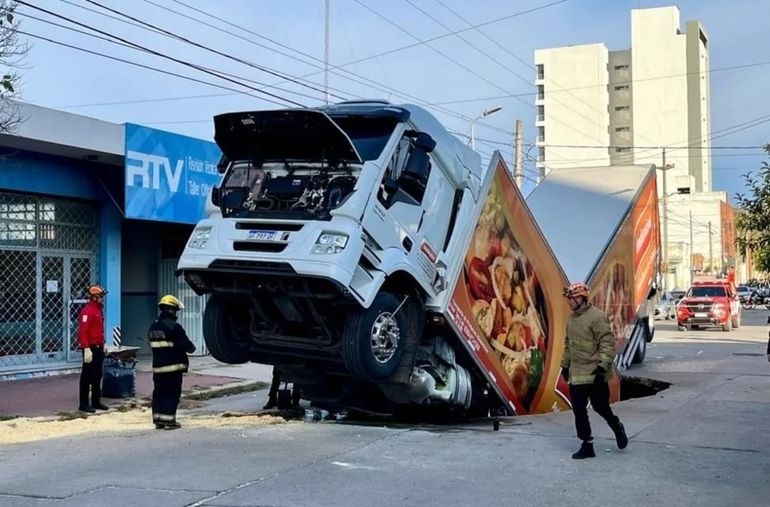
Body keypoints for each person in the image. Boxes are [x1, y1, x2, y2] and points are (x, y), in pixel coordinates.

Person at [560, 282, 628, 459]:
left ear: (582, 298)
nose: (570, 303)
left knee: (600, 407)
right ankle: (587, 444)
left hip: (595, 373)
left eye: (572, 300)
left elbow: (607, 343)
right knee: (578, 409)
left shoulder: (597, 317)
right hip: (577, 374)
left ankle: (616, 426)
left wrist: (602, 367)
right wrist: (564, 365)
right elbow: (568, 344)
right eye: (569, 300)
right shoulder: (572, 319)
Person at [148, 295, 196, 430]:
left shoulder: (154, 326)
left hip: (158, 367)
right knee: (172, 392)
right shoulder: (174, 326)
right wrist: (191, 348)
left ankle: (158, 420)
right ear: (172, 310)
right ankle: (169, 421)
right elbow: (187, 345)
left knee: (159, 392)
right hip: (172, 367)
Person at [78, 284, 109, 413]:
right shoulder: (87, 312)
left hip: (98, 346)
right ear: (94, 298)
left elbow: (99, 330)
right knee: (87, 376)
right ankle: (83, 403)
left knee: (98, 375)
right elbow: (83, 332)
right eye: (101, 297)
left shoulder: (98, 310)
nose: (103, 299)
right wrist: (86, 348)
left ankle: (96, 401)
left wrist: (103, 344)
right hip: (90, 347)